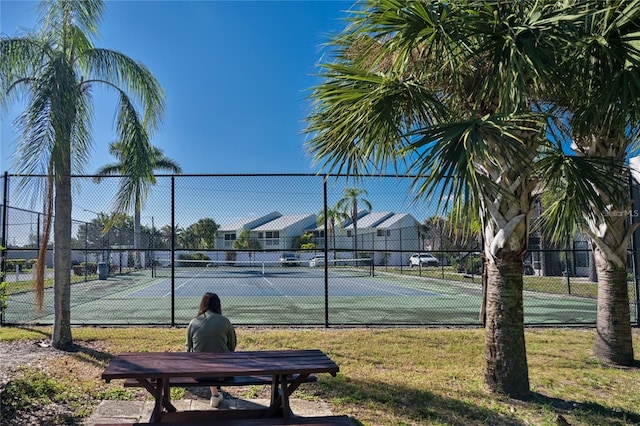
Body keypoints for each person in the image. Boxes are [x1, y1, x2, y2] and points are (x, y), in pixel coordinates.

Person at [186, 292, 237, 407]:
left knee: (206, 361)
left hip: (199, 373)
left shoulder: (194, 322)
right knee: (216, 362)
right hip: (225, 373)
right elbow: (232, 347)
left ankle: (215, 394)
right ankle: (215, 394)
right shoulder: (225, 321)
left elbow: (189, 350)